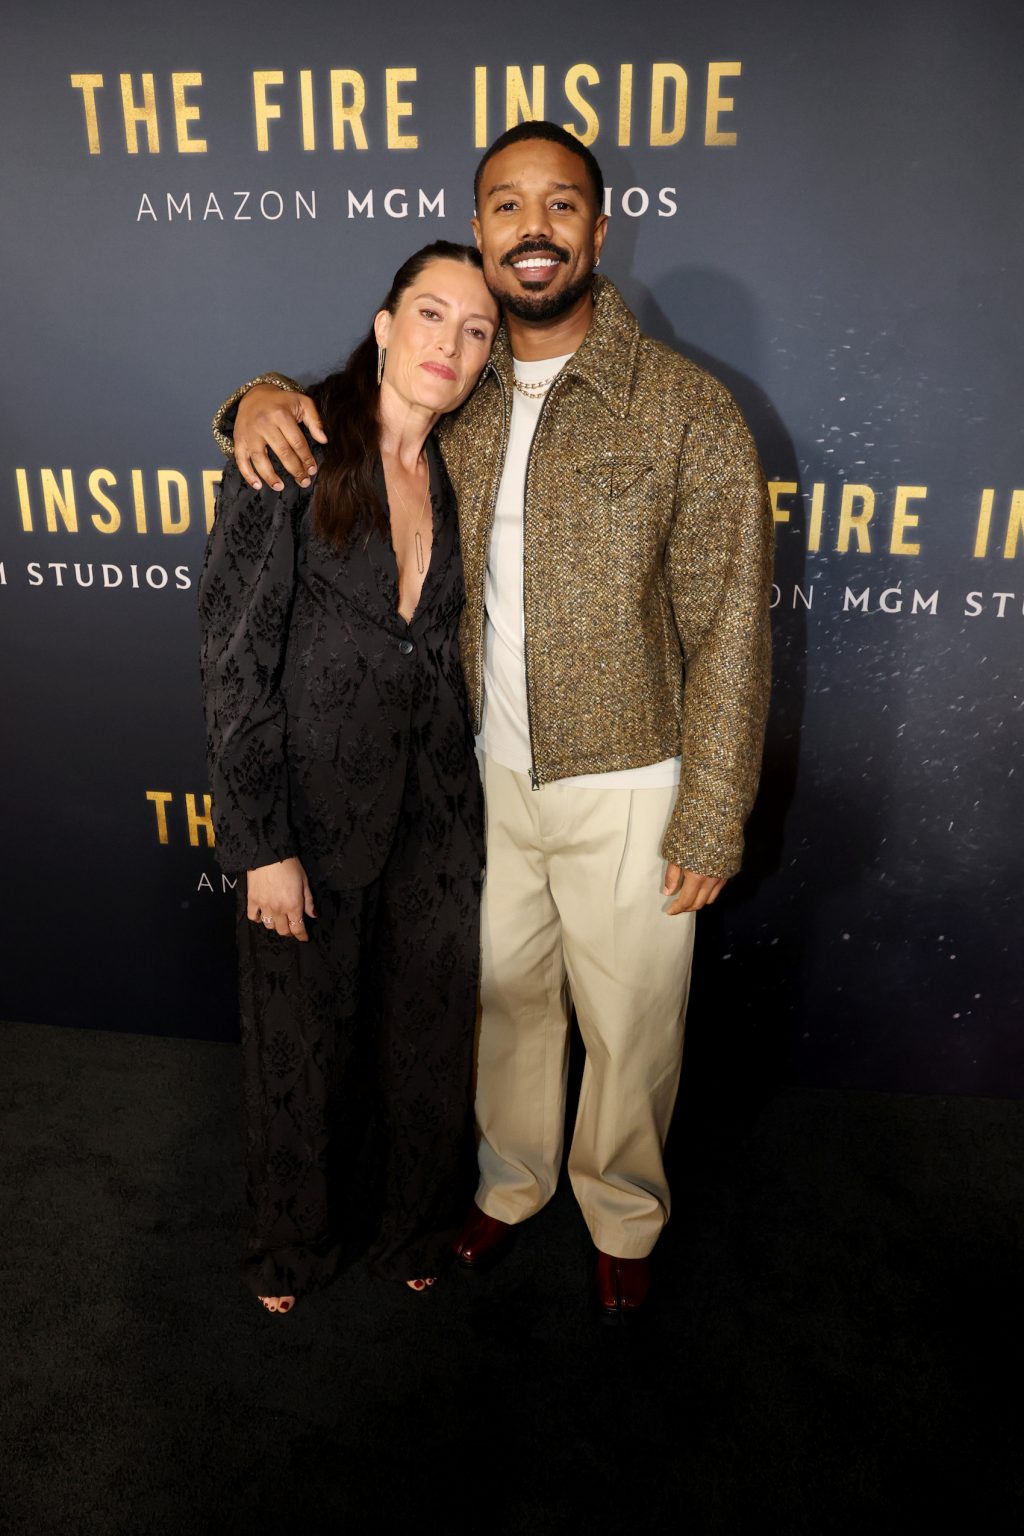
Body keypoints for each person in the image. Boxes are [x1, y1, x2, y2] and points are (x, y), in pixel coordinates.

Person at [213, 122, 774, 1323]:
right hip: (475, 784)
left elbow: (730, 623)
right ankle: (509, 1187)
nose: (534, 229)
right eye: (507, 206)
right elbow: (332, 417)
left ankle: (621, 1210)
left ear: (597, 231)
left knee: (630, 1023)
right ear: (478, 231)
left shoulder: (684, 410)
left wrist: (714, 809)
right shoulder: (456, 392)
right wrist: (248, 399)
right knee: (504, 1011)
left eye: (560, 206)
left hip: (632, 779)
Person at [199, 240, 498, 1313]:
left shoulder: (472, 464)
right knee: (300, 1046)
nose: (449, 345)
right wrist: (260, 843)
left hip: (438, 817)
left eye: (475, 330)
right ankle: (290, 1245)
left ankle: (413, 1220)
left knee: (422, 1038)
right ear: (382, 325)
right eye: (430, 315)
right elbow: (234, 663)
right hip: (309, 818)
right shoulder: (295, 448)